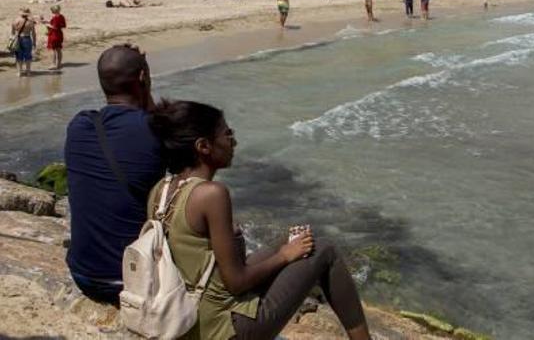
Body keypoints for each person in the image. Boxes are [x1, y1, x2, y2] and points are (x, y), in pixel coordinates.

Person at [147, 100, 371, 340]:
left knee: (293, 237)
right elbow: (236, 283)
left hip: (187, 318)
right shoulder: (212, 194)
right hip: (224, 329)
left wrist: (286, 248)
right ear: (204, 146)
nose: (234, 141)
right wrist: (285, 256)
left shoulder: (160, 190)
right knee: (324, 250)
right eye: (227, 133)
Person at [65, 44, 165, 304]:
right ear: (143, 78)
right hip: (131, 279)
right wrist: (147, 88)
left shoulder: (79, 125)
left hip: (83, 274)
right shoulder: (156, 130)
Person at [10, 8, 37, 77]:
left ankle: (19, 72)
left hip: (18, 39)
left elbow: (12, 32)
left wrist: (12, 40)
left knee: (19, 56)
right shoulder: (30, 21)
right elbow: (33, 33)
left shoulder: (15, 20)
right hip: (27, 38)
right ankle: (28, 72)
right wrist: (34, 43)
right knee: (28, 55)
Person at [41, 4, 67, 70]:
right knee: (59, 49)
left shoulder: (55, 18)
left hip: (54, 35)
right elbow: (63, 25)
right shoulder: (61, 16)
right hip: (59, 34)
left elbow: (54, 27)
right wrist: (47, 21)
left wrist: (47, 25)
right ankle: (59, 64)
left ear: (53, 11)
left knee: (54, 50)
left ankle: (53, 64)